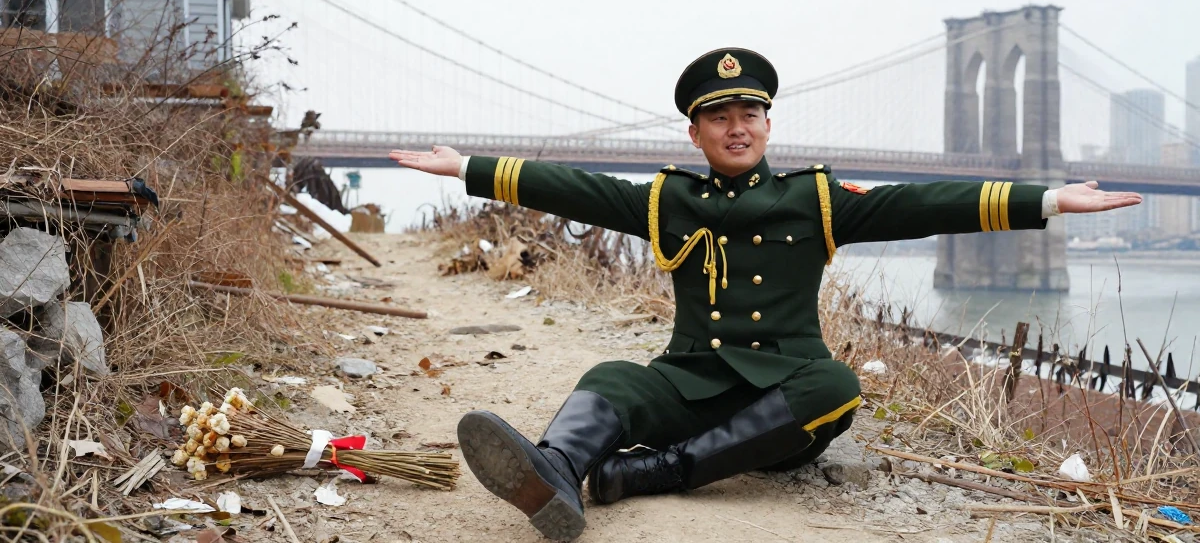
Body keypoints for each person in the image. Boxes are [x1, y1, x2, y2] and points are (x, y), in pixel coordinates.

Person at [390, 48, 1142, 541]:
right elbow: (579, 189)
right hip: (693, 380)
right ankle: (555, 470)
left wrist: (1044, 200)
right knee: (612, 379)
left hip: (783, 397)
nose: (736, 125)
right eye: (719, 115)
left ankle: (651, 471)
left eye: (749, 112)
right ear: (695, 133)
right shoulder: (667, 201)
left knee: (837, 384)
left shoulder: (815, 199)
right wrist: (468, 167)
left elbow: (920, 203)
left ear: (768, 123)